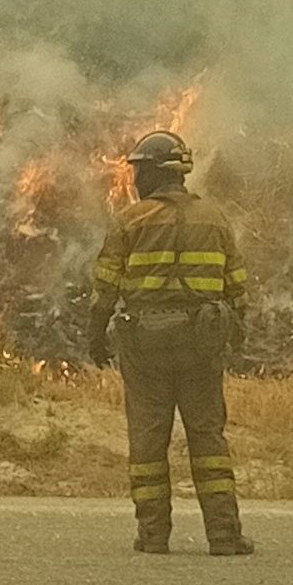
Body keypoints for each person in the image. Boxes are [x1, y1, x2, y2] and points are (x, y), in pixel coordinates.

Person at [86, 127, 253, 556]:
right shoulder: (215, 219)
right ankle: (224, 535)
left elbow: (105, 286)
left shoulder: (130, 221)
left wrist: (96, 336)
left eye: (139, 170)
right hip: (201, 344)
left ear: (156, 173)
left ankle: (153, 535)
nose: (134, 179)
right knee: (207, 438)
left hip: (146, 345)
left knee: (147, 440)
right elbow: (237, 288)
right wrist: (235, 335)